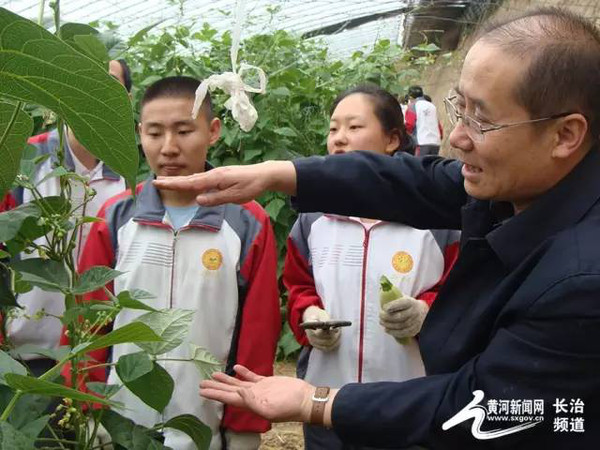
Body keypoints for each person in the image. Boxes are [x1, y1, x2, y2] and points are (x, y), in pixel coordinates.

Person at [155, 7, 600, 449]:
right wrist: (281, 173)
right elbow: (415, 181)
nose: (457, 138)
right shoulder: (519, 186)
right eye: (459, 109)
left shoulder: (582, 280)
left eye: (481, 119)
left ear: (565, 135)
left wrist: (317, 402)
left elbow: (480, 406)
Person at [69, 76, 280, 450]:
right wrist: (88, 402)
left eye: (184, 131)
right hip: (121, 422)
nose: (168, 148)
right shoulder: (116, 217)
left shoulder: (246, 223)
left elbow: (257, 333)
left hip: (204, 425)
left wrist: (246, 423)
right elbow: (88, 318)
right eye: (154, 133)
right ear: (139, 134)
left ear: (213, 131)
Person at [284, 84, 459, 449]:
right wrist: (309, 315)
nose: (339, 139)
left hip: (410, 404)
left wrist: (427, 312)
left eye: (353, 127)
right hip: (324, 399)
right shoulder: (312, 218)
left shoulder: (436, 220)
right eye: (333, 129)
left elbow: (460, 291)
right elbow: (298, 286)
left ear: (393, 139)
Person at [5, 59, 131, 375]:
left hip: (86, 357)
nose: (95, 87)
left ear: (125, 100)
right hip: (20, 354)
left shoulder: (124, 177)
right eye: (84, 75)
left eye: (109, 81)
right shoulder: (24, 161)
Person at [405, 85, 443, 156]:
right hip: (435, 143)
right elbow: (438, 126)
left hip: (421, 143)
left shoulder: (413, 106)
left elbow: (409, 125)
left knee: (419, 166)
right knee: (431, 165)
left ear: (410, 97)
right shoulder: (432, 106)